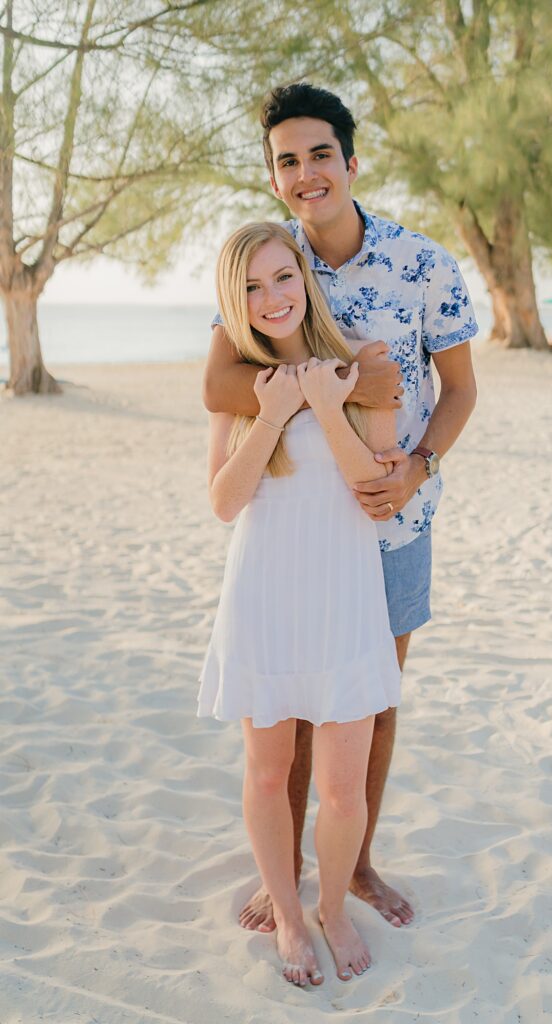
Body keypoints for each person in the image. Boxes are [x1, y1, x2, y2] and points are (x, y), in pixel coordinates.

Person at [203, 82, 478, 933]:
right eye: (288, 161)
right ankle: (283, 872)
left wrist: (419, 468)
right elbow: (217, 383)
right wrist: (351, 382)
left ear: (350, 161)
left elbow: (461, 390)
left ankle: (353, 865)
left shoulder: (424, 263)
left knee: (370, 699)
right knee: (289, 702)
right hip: (298, 528)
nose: (307, 172)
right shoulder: (268, 261)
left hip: (394, 519)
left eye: (320, 154)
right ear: (275, 178)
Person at [197, 221, 402, 986]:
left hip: (344, 596)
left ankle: (334, 907)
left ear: (305, 278)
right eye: (251, 288)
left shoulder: (368, 363)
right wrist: (277, 414)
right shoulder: (236, 380)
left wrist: (324, 400)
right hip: (263, 595)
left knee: (343, 788)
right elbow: (222, 502)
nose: (271, 298)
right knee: (265, 770)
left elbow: (375, 497)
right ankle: (287, 911)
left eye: (282, 277)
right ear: (234, 302)